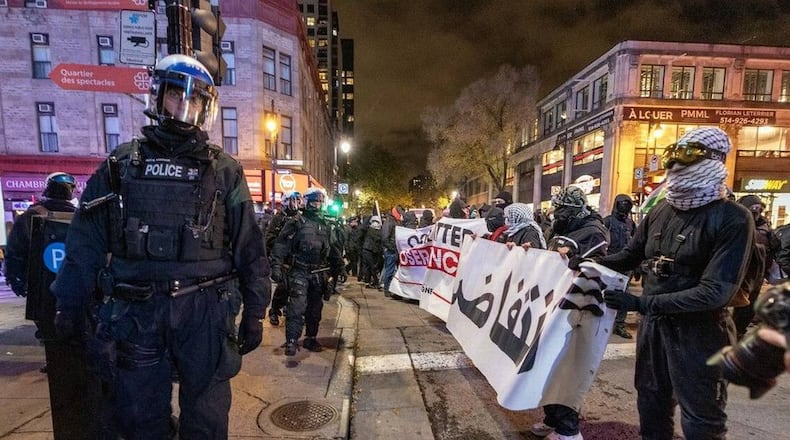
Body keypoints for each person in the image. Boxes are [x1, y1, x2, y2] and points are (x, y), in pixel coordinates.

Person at [50, 55, 271, 439]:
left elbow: (250, 247)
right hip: (138, 313)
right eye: (175, 95)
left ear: (206, 109)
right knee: (139, 419)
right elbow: (84, 242)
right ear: (158, 97)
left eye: (196, 100)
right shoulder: (121, 164)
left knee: (205, 421)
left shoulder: (224, 170)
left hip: (204, 313)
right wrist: (68, 304)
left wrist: (256, 310)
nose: (185, 106)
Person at [595, 127, 752, 440]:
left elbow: (715, 292)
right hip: (654, 331)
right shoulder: (661, 210)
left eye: (687, 156)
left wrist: (641, 304)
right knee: (651, 409)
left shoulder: (733, 218)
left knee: (701, 421)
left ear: (714, 161)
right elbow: (629, 256)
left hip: (700, 335)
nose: (676, 167)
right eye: (674, 156)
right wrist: (585, 261)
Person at [5, 172, 102, 438]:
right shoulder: (82, 218)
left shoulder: (33, 218)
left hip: (46, 297)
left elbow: (14, 256)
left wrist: (21, 284)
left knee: (58, 344)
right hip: (77, 298)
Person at [532, 185, 609, 440]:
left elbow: (598, 267)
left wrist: (576, 259)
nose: (557, 214)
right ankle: (552, 419)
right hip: (555, 305)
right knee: (548, 365)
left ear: (575, 210)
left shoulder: (594, 232)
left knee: (567, 370)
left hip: (579, 311)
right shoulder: (561, 229)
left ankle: (569, 430)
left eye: (562, 209)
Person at [270, 188, 345, 356]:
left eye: (319, 201)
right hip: (300, 270)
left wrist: (340, 268)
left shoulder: (326, 225)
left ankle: (311, 338)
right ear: (307, 201)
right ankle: (291, 341)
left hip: (319, 273)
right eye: (314, 201)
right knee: (296, 307)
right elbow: (281, 244)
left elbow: (333, 249)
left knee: (314, 309)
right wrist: (276, 265)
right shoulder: (296, 222)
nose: (317, 204)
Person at [265, 191, 303, 326]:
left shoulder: (300, 218)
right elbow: (270, 238)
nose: (297, 204)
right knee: (283, 286)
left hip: (296, 258)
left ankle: (290, 309)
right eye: (294, 201)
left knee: (296, 287)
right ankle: (275, 310)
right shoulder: (279, 218)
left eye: (298, 201)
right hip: (283, 258)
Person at [602, 194, 637, 339]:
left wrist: (637, 265)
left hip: (625, 264)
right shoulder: (608, 221)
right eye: (623, 203)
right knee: (605, 292)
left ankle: (619, 324)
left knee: (623, 293)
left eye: (628, 204)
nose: (625, 206)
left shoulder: (630, 223)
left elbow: (635, 242)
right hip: (610, 262)